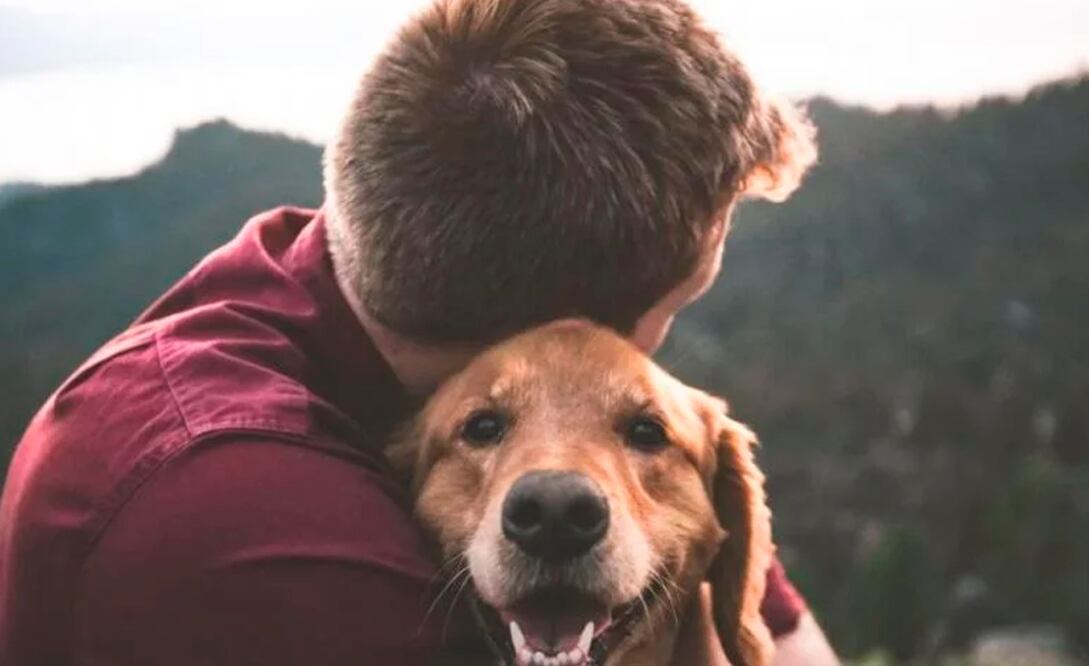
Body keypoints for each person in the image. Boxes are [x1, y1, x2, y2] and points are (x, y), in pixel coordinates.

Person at [0, 0, 835, 664]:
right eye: (674, 308)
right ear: (562, 328)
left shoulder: (333, 271)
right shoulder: (255, 528)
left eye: (639, 427)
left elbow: (780, 638)